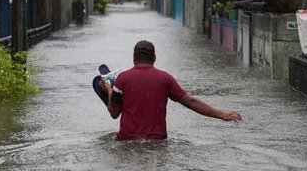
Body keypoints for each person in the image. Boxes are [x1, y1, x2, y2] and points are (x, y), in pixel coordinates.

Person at [100, 40, 242, 140]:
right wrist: (222, 114)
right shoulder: (165, 79)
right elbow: (190, 102)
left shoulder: (122, 79)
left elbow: (114, 113)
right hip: (158, 142)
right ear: (154, 58)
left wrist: (109, 90)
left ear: (134, 58)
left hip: (127, 142)